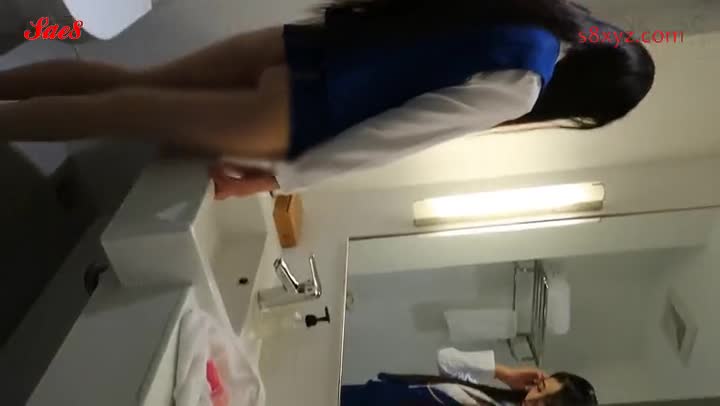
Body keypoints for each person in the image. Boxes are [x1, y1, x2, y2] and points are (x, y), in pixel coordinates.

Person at [0, 1, 654, 198]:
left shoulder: (531, 11)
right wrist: (279, 179)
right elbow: (394, 134)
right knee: (113, 114)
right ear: (585, 100)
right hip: (297, 110)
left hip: (298, 47)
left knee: (125, 82)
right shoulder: (523, 84)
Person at [341, 348, 598, 405]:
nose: (531, 400)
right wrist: (504, 373)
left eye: (545, 405)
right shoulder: (496, 401)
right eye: (539, 388)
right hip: (363, 396)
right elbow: (447, 359)